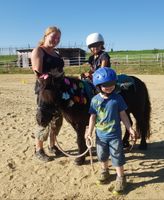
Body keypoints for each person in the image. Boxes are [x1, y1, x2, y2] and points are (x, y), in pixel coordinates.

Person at [85, 67, 138, 193]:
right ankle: (105, 171)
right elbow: (92, 117)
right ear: (98, 86)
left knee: (117, 156)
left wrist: (129, 128)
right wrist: (89, 132)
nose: (109, 87)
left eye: (112, 84)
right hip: (100, 136)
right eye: (105, 85)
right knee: (102, 155)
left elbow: (123, 115)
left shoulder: (117, 99)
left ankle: (121, 177)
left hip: (114, 135)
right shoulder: (95, 100)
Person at [31, 26, 64, 162]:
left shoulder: (56, 54)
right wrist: (52, 77)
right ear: (46, 36)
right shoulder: (39, 51)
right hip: (46, 91)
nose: (55, 40)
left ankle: (52, 146)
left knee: (57, 120)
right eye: (53, 36)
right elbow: (38, 73)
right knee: (43, 119)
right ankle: (39, 149)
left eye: (58, 38)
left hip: (59, 91)